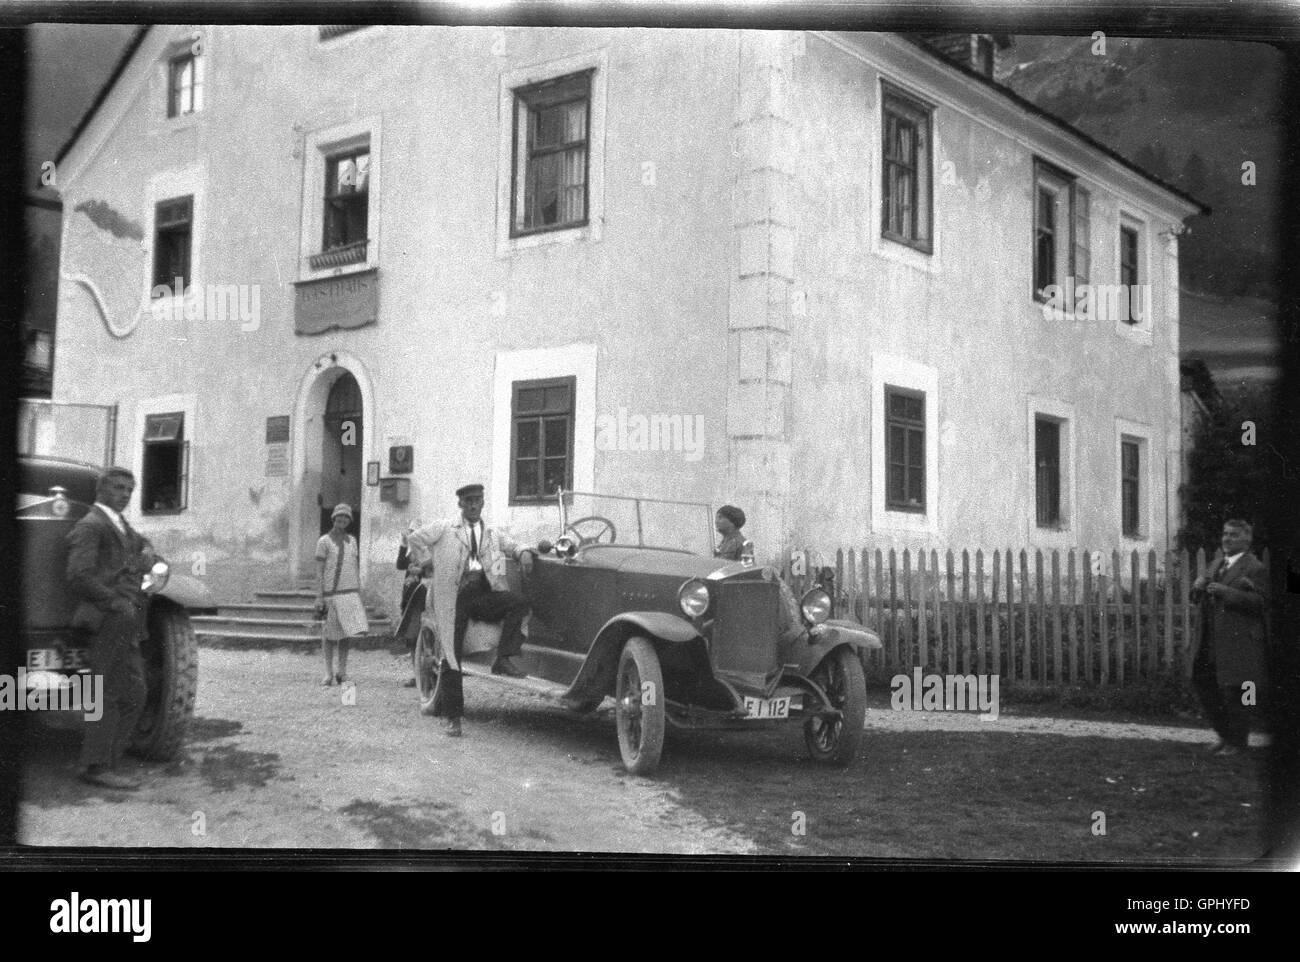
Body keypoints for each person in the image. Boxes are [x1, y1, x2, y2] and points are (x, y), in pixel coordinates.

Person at [404, 483, 535, 737]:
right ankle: (453, 718)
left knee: (519, 604)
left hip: (484, 594)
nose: (474, 505)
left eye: (478, 500)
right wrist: (427, 565)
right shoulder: (444, 528)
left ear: (483, 503)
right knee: (451, 655)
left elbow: (514, 545)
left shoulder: (492, 533)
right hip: (455, 597)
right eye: (469, 501)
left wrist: (524, 552)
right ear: (460, 504)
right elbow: (413, 539)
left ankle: (503, 659)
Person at [65, 467, 156, 791]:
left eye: (130, 489)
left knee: (135, 692)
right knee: (104, 691)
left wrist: (147, 551)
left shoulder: (120, 524)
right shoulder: (91, 525)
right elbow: (78, 575)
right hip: (108, 618)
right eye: (118, 487)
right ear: (101, 489)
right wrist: (115, 602)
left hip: (126, 619)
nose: (125, 494)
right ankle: (95, 765)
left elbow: (141, 544)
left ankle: (108, 761)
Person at [1190, 519, 1269, 756]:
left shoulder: (1256, 568)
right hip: (1210, 640)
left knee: (1240, 693)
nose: (1226, 539)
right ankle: (1225, 737)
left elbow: (1263, 604)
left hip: (1240, 642)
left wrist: (1228, 593)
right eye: (1225, 534)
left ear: (1247, 540)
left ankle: (1238, 743)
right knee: (1206, 686)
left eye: (1233, 535)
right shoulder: (1216, 564)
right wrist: (1197, 585)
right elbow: (1196, 599)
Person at [314, 503, 369, 686]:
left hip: (349, 593)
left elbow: (354, 567)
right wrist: (319, 596)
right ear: (333, 518)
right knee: (329, 635)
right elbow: (319, 571)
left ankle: (342, 672)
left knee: (346, 634)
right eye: (339, 517)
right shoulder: (324, 541)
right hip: (331, 594)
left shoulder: (352, 541)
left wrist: (358, 592)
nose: (342, 520)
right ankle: (328, 673)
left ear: (349, 520)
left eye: (346, 517)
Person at [396, 519, 427, 688]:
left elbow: (429, 570)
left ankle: (424, 674)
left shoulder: (426, 550)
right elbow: (400, 564)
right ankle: (416, 674)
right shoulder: (409, 552)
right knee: (412, 637)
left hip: (421, 597)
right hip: (409, 597)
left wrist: (420, 570)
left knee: (422, 636)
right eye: (410, 532)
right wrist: (402, 544)